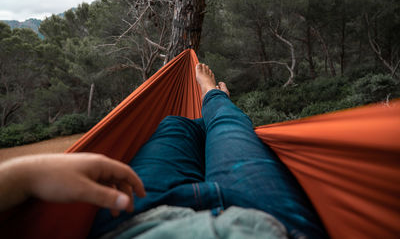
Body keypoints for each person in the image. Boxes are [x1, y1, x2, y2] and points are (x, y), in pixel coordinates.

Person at [0, 64, 328, 239]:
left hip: (137, 219)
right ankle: (214, 96)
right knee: (227, 125)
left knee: (175, 123)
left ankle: (210, 107)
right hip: (268, 224)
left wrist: (26, 176)